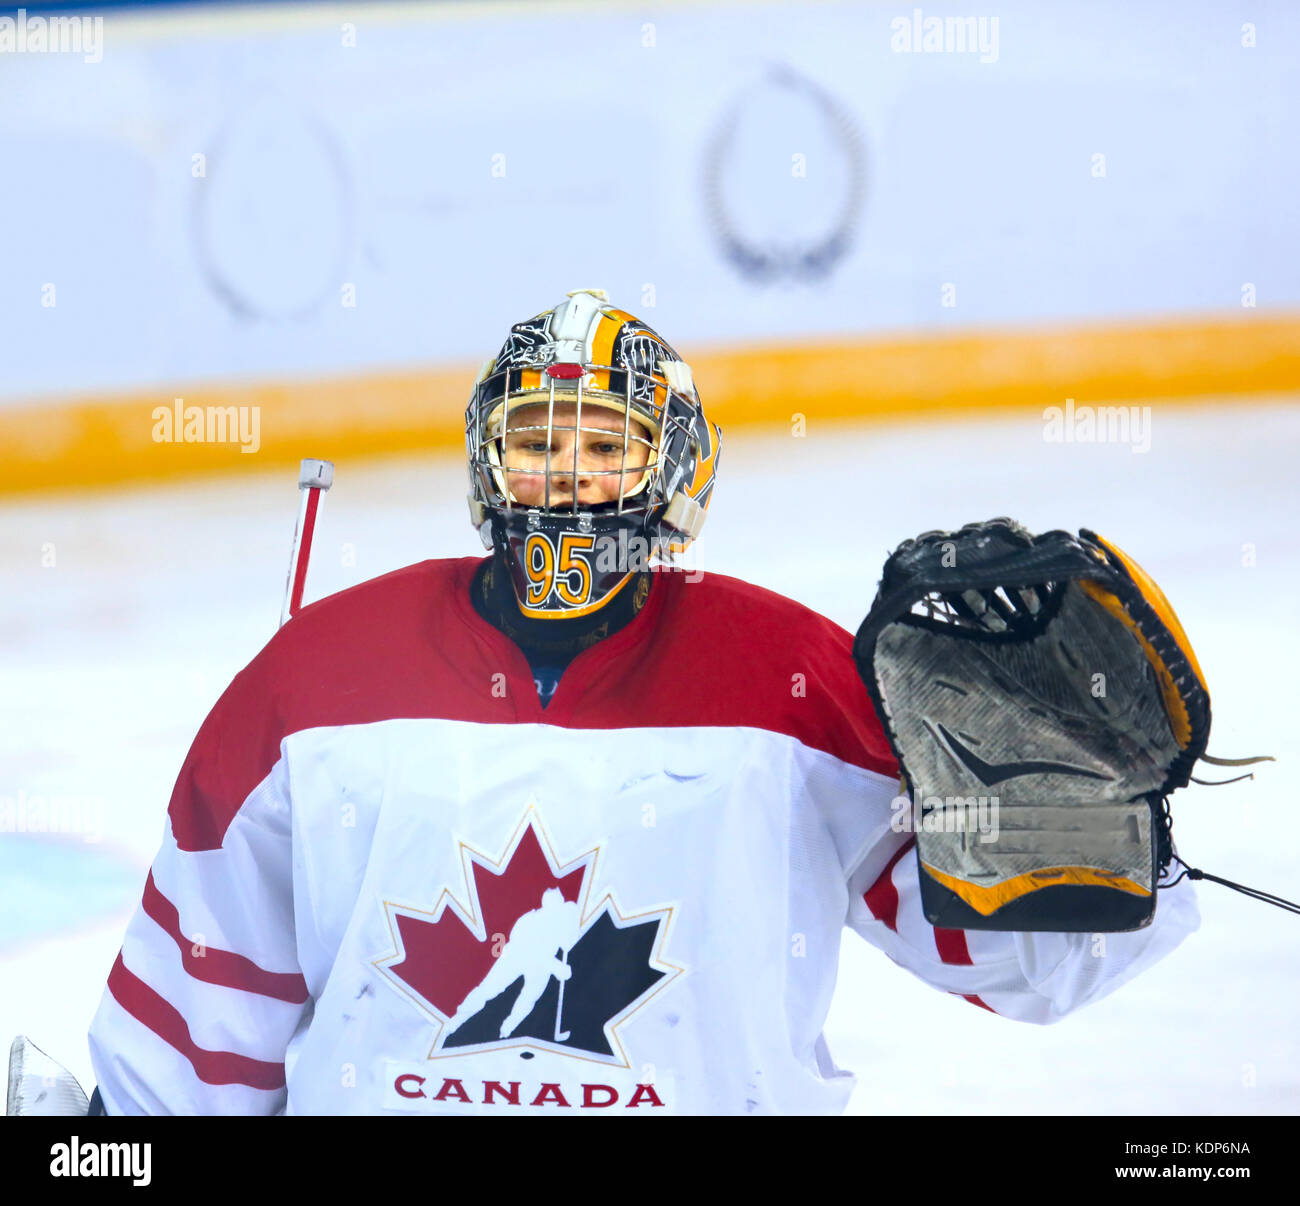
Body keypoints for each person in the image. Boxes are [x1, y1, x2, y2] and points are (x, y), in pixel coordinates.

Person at [85, 288, 1198, 1115]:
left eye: (605, 447)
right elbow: (189, 1043)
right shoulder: (316, 677)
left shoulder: (791, 684)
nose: (566, 480)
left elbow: (1027, 963)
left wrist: (1099, 810)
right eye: (534, 444)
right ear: (485, 465)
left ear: (673, 473)